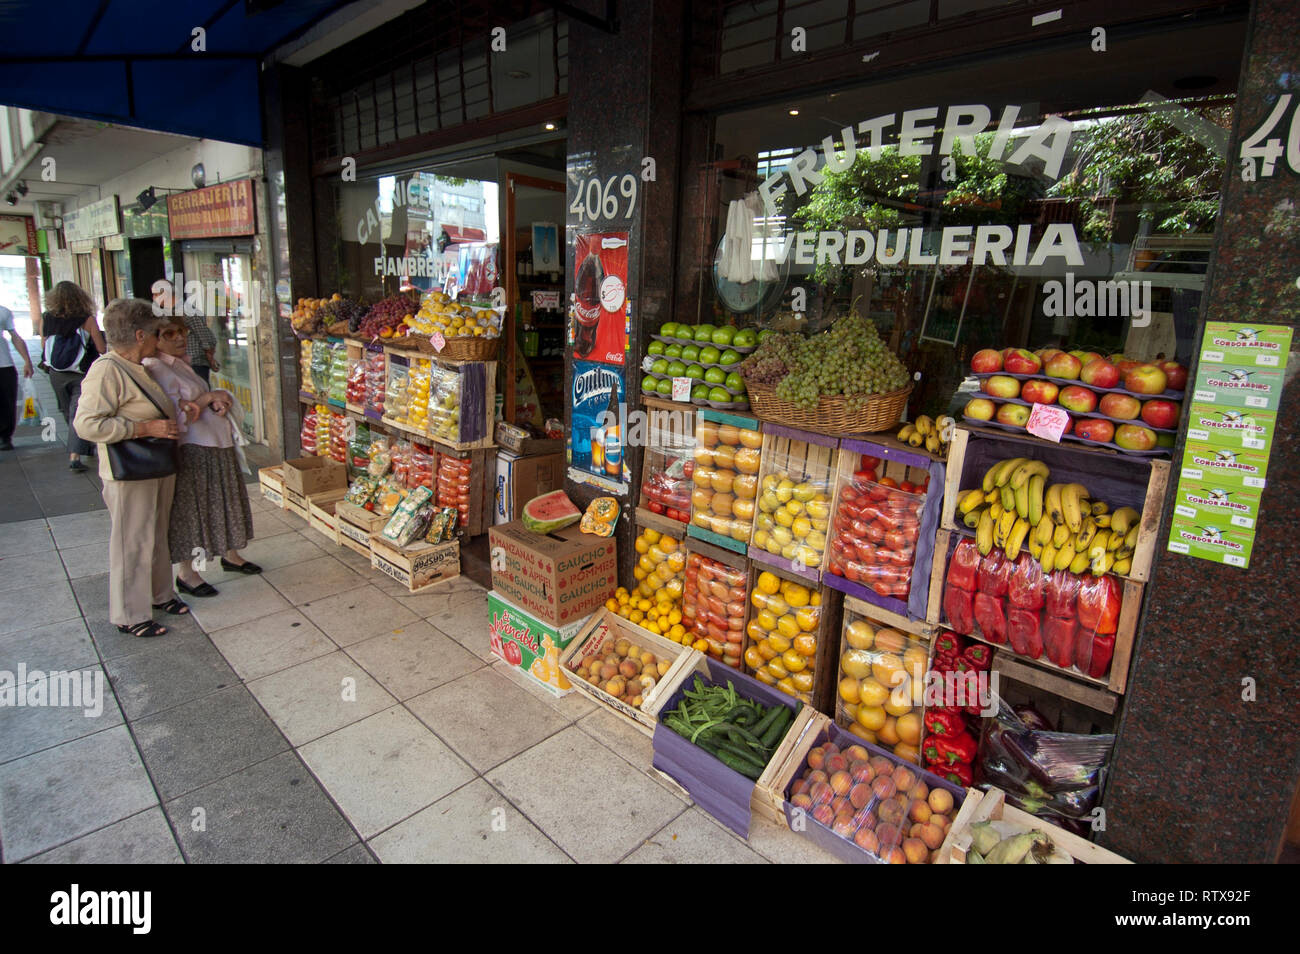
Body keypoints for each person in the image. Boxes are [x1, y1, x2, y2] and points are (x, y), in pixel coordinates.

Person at [74, 298, 187, 639]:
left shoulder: (140, 365)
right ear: (139, 335)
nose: (159, 339)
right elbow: (87, 425)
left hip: (156, 465)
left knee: (156, 533)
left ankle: (160, 593)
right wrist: (142, 429)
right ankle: (129, 613)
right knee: (132, 540)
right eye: (155, 333)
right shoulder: (107, 370)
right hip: (130, 470)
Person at [143, 317, 260, 597]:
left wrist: (215, 399)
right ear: (155, 339)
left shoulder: (179, 361)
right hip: (194, 447)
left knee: (224, 501)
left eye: (181, 332)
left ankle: (230, 555)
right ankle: (188, 574)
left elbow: (195, 401)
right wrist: (208, 399)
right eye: (169, 334)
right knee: (192, 510)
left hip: (215, 444)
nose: (179, 338)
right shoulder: (157, 368)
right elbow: (176, 414)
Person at [39, 281, 105, 471]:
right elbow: (101, 348)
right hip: (82, 373)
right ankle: (76, 454)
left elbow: (45, 348)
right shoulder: (87, 319)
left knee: (66, 410)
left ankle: (78, 448)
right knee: (79, 411)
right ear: (80, 297)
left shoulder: (47, 318)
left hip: (56, 373)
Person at [0, 299, 35, 451]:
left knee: (7, 402)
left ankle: (5, 436)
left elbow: (15, 337)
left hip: (4, 365)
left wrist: (27, 360)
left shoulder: (3, 312)